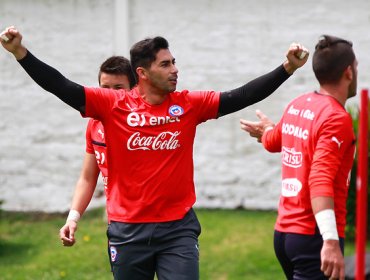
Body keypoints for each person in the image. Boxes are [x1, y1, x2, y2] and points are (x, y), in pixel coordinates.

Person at [1, 25, 308, 280]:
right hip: (127, 231)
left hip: (178, 230)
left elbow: (241, 95)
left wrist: (287, 68)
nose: (175, 70)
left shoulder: (189, 104)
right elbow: (60, 86)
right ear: (143, 73)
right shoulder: (113, 105)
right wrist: (20, 53)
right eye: (165, 64)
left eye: (174, 62)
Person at [240, 35, 357, 280]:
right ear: (348, 72)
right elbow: (320, 180)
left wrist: (267, 130)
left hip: (284, 234)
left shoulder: (299, 104)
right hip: (312, 238)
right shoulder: (336, 118)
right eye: (356, 66)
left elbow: (274, 142)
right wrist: (331, 241)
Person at [59, 56, 136, 247]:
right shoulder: (94, 124)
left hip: (159, 222)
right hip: (119, 222)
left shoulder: (143, 123)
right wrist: (72, 219)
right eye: (105, 88)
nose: (110, 95)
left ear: (134, 89)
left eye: (118, 88)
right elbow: (87, 177)